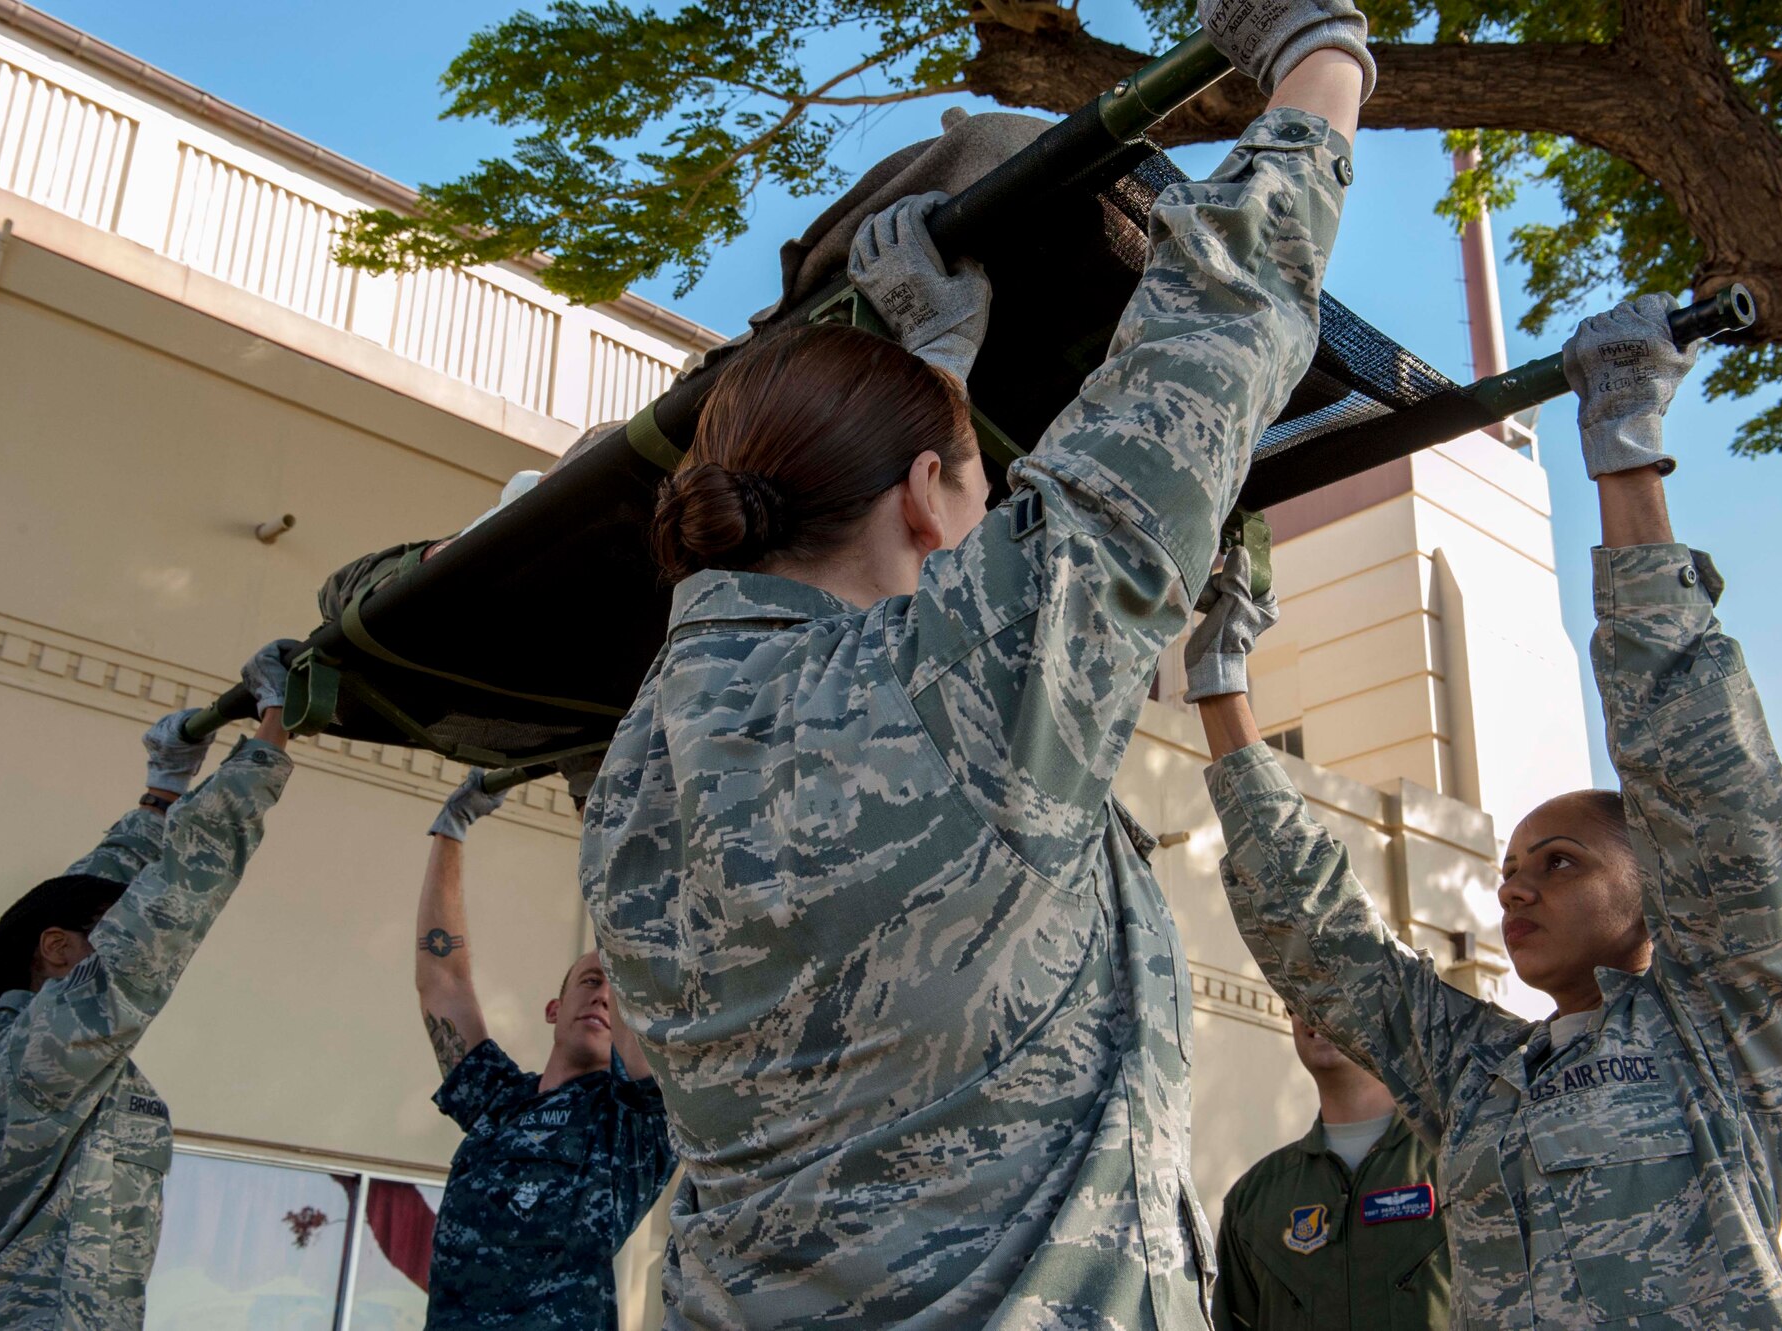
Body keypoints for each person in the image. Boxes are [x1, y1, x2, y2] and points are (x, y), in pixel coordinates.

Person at [579, 0, 1374, 1318]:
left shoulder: (649, 761)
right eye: (978, 482)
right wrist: (1323, 55)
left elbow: (884, 597)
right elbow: (1213, 327)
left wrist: (937, 372)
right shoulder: (973, 688)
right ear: (921, 498)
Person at [1190, 294, 1782, 1328]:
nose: (1514, 881)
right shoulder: (1478, 1073)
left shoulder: (1728, 1030)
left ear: (1654, 891)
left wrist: (1620, 439)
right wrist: (1219, 675)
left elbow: (1704, 783)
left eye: (1562, 860)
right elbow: (1318, 939)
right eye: (1514, 861)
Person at [0, 641, 299, 1331]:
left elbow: (98, 898)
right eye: (101, 937)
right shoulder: (48, 1048)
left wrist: (160, 792)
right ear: (54, 950)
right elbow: (172, 903)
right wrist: (272, 727)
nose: (118, 940)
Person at [412, 770, 674, 1330]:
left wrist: (596, 816)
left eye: (616, 985)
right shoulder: (498, 1101)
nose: (604, 995)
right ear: (553, 1010)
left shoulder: (632, 1122)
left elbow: (636, 950)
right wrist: (451, 828)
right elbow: (443, 982)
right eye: (588, 981)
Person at [1212, 1016, 1448, 1330]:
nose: (1313, 1005)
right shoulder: (1253, 1200)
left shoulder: (1461, 1168)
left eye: (1334, 980)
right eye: (1296, 989)